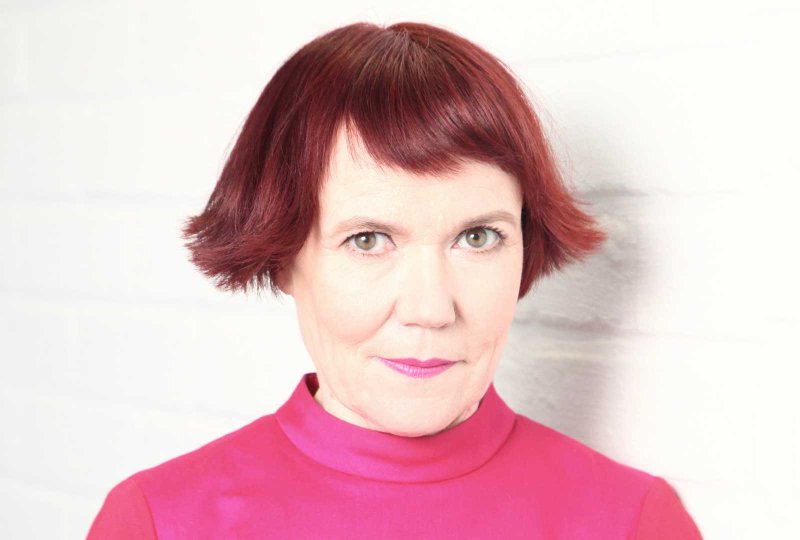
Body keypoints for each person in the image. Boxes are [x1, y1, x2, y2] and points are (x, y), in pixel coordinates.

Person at [86, 21, 702, 539]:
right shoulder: (157, 522)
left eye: (478, 237)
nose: (431, 308)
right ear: (282, 256)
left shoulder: (634, 522)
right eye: (368, 240)